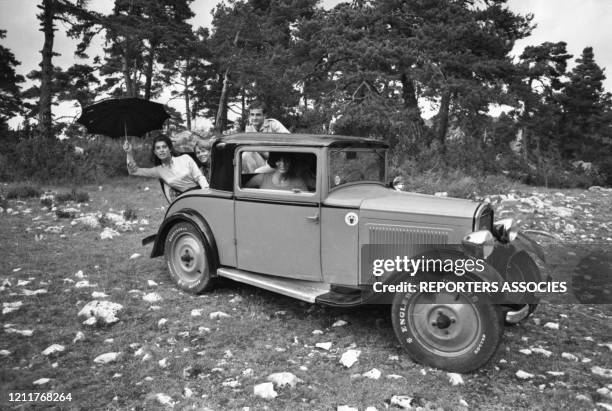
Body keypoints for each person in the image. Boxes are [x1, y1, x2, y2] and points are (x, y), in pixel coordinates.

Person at [124, 134, 208, 200]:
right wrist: (129, 153)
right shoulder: (158, 170)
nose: (161, 150)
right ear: (155, 152)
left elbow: (199, 177)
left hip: (201, 193)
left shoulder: (185, 158)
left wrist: (206, 191)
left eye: (164, 147)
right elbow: (134, 171)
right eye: (158, 148)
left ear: (170, 149)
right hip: (185, 200)